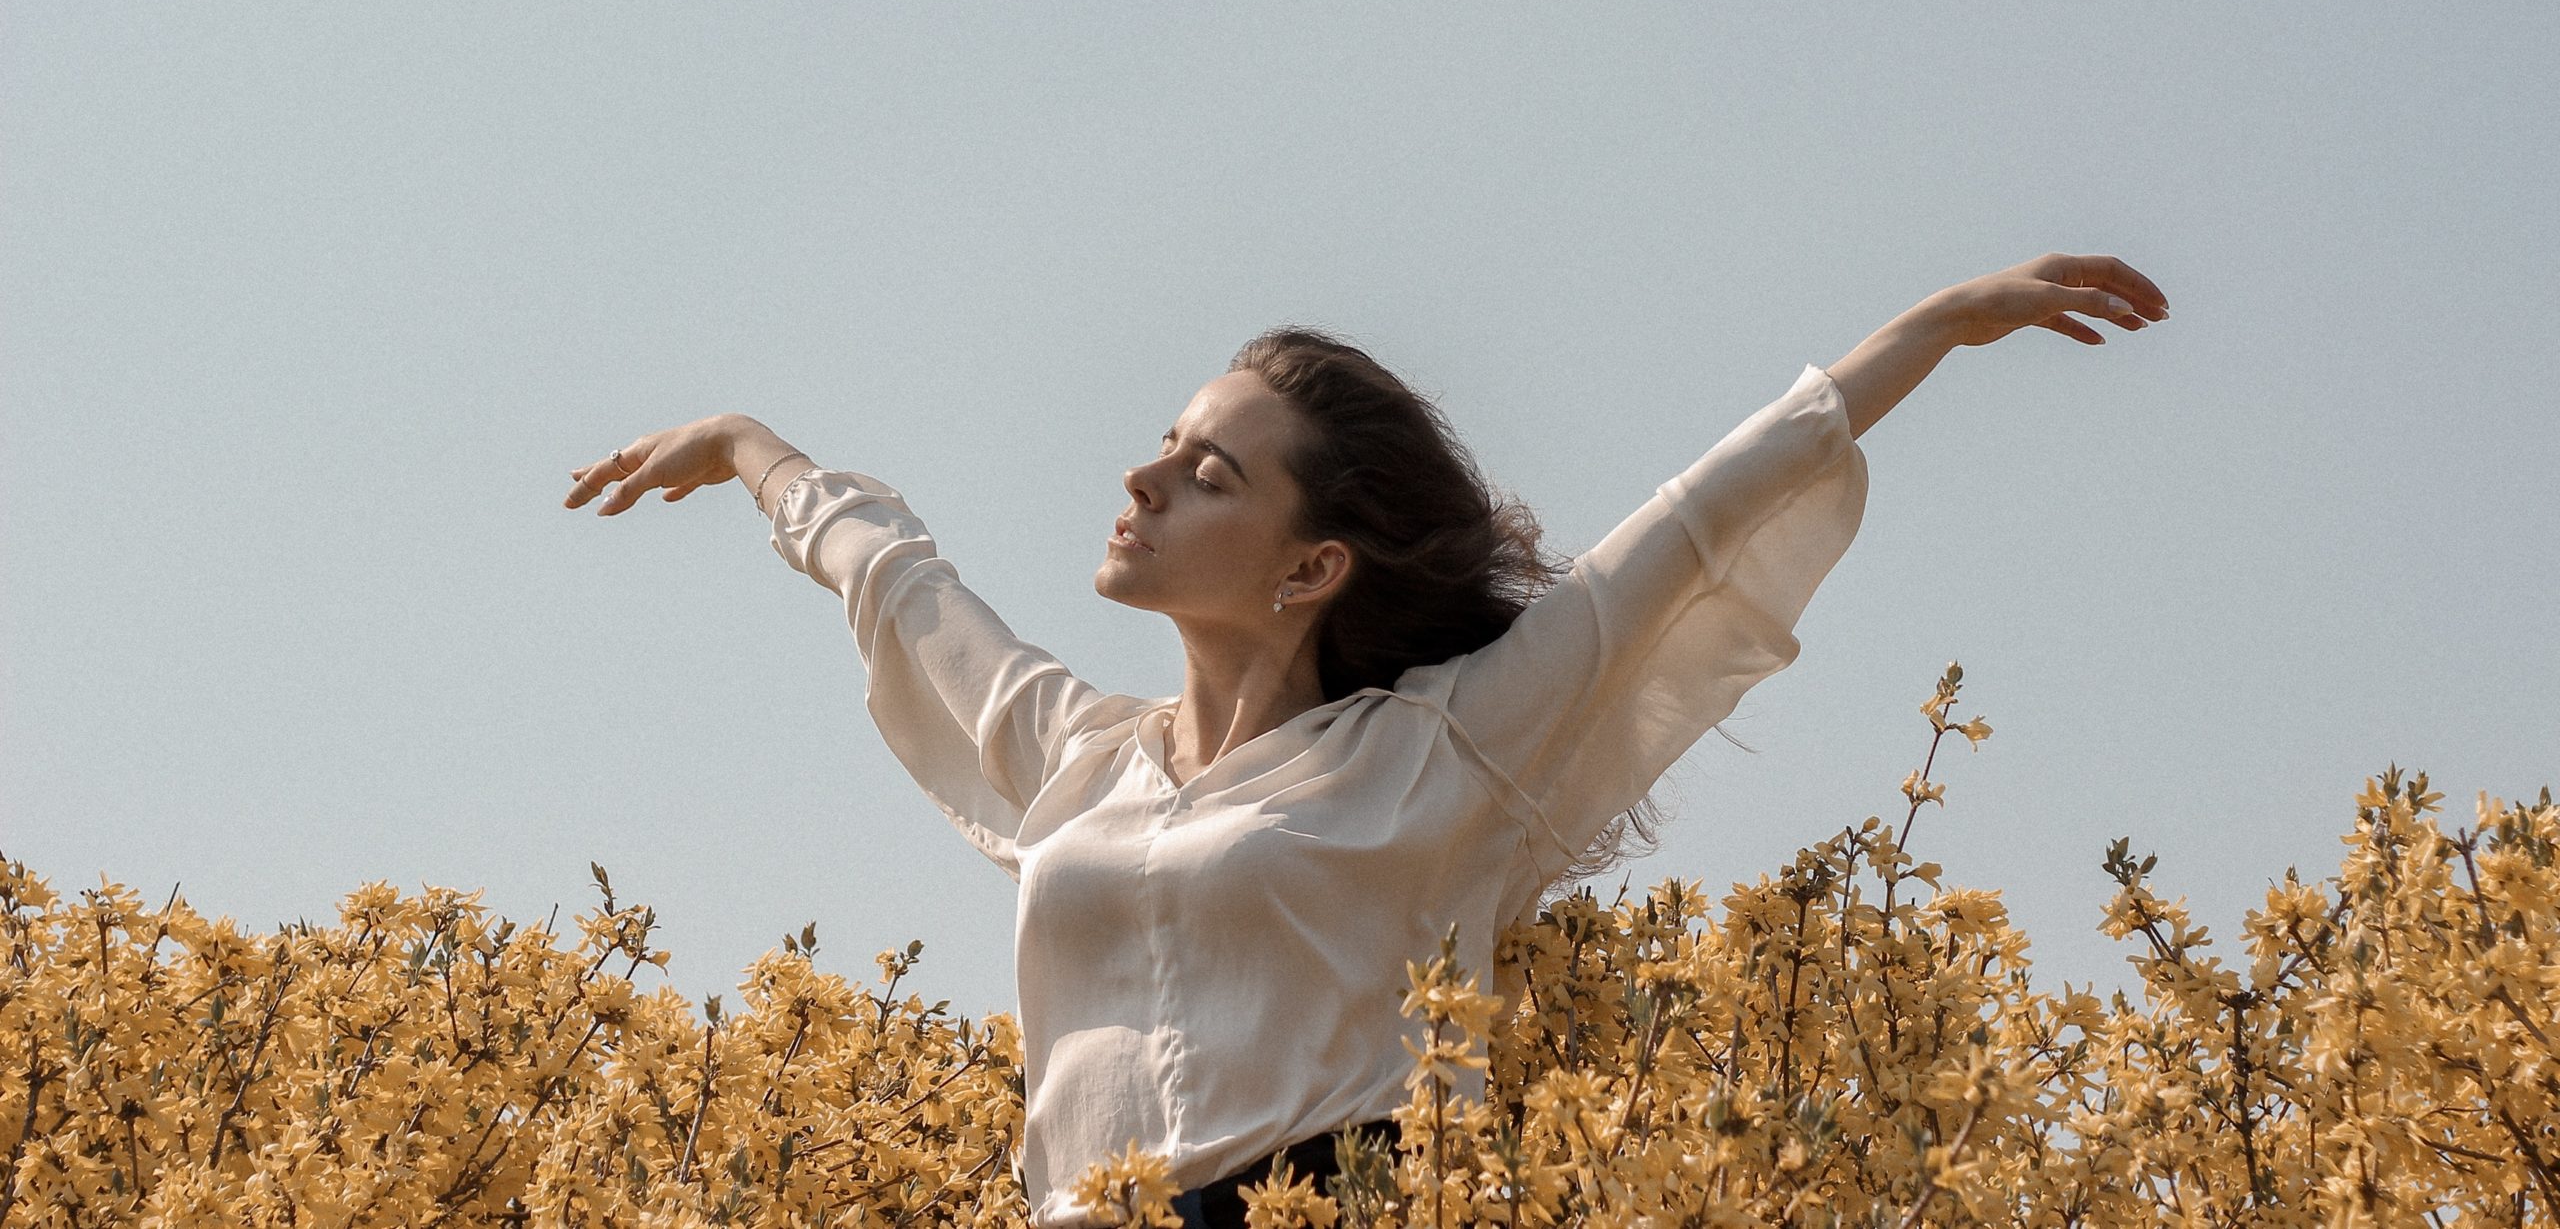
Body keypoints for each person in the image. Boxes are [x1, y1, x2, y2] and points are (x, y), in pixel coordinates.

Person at [565, 252, 2168, 1228]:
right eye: (1167, 446)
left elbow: (1685, 533)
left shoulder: (1440, 750)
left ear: (1312, 564)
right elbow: (904, 587)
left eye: (1208, 473)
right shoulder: (1081, 757)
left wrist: (1941, 326)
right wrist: (750, 448)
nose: (1142, 478)